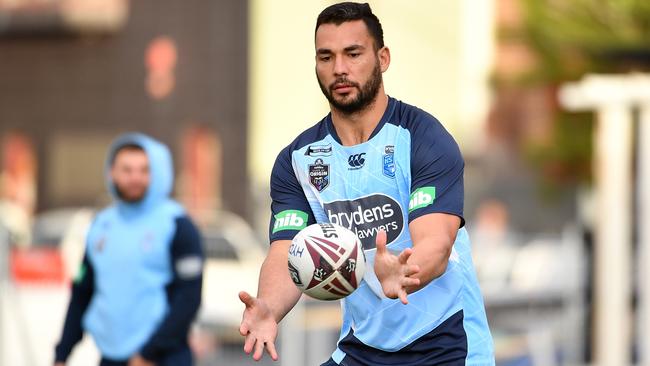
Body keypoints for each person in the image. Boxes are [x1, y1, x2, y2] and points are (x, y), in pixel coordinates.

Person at [238, 2, 494, 365]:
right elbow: (286, 252)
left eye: (353, 53)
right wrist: (268, 306)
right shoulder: (298, 160)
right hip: (365, 347)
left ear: (383, 58)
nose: (339, 69)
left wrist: (405, 273)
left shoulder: (423, 138)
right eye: (326, 57)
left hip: (446, 344)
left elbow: (436, 242)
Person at [54, 133, 204, 366]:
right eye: (127, 170)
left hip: (162, 358)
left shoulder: (177, 224)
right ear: (111, 172)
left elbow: (188, 298)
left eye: (144, 170)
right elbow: (83, 291)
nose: (135, 178)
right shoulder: (101, 225)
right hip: (112, 357)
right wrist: (62, 354)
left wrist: (149, 353)